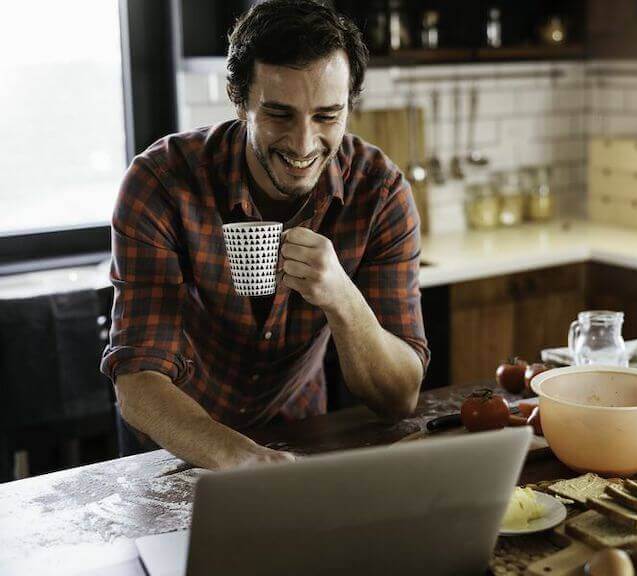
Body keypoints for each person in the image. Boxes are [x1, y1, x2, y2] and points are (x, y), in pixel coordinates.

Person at [100, 0, 429, 469]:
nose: (303, 144)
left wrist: (342, 297)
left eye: (326, 116)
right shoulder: (161, 182)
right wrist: (239, 458)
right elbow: (138, 381)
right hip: (174, 449)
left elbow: (400, 399)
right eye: (279, 115)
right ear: (239, 100)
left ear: (350, 106)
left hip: (296, 438)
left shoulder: (379, 193)